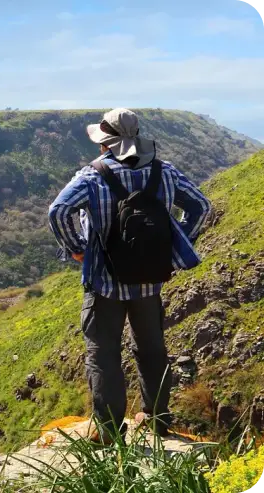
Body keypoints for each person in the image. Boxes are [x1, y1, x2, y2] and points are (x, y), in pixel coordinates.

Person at [48, 108, 211, 441]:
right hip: (150, 280)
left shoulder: (93, 176)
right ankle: (157, 421)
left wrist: (78, 248)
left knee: (103, 353)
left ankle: (108, 431)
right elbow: (201, 206)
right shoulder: (165, 173)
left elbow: (59, 210)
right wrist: (177, 241)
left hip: (104, 282)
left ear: (105, 143)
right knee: (152, 350)